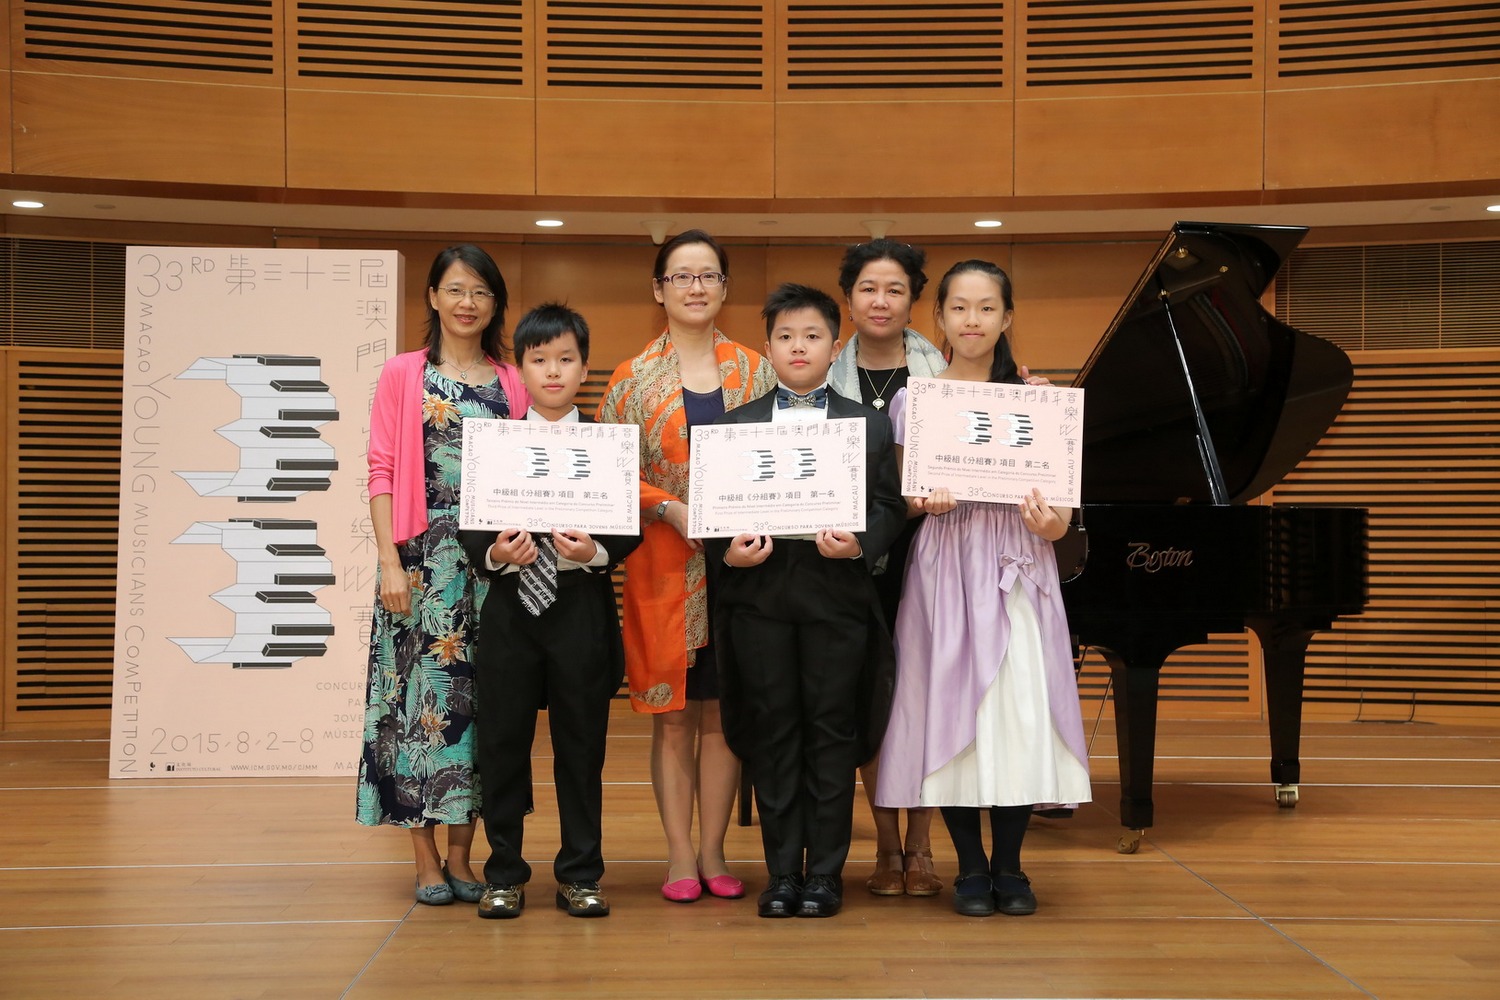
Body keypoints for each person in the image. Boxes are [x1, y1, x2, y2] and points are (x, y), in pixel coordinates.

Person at [874, 259, 1092, 918]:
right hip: (945, 566)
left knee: (1016, 713)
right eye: (960, 308)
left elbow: (1060, 519)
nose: (973, 320)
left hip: (1018, 564)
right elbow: (904, 499)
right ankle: (970, 867)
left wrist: (1049, 523)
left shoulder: (1039, 401)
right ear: (939, 318)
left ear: (1007, 317)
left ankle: (1011, 866)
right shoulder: (915, 402)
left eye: (987, 307)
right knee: (953, 710)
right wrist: (922, 503)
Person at [708, 284, 906, 918]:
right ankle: (780, 875)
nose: (799, 347)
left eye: (813, 336)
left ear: (834, 345)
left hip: (835, 597)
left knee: (831, 732)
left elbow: (889, 505)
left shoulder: (866, 422)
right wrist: (729, 555)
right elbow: (714, 517)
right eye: (786, 336)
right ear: (767, 348)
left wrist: (860, 543)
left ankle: (823, 874)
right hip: (761, 599)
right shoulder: (735, 426)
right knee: (775, 732)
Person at [597, 230, 777, 903]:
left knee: (723, 715)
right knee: (673, 716)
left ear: (725, 288)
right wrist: (671, 507)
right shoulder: (630, 378)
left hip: (745, 569)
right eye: (681, 276)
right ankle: (678, 853)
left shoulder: (758, 371)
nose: (696, 287)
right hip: (664, 567)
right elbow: (610, 469)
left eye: (708, 276)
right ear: (659, 289)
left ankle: (714, 851)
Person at [357, 244, 530, 905]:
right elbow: (380, 470)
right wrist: (389, 562)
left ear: (495, 303)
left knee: (484, 709)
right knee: (416, 709)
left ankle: (463, 854)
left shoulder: (512, 380)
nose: (467, 303)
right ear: (432, 296)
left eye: (481, 292)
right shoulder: (404, 373)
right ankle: (425, 856)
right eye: (455, 289)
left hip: (494, 568)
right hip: (422, 567)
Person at [459, 303, 642, 919]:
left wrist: (596, 552)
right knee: (503, 746)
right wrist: (496, 553)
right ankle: (504, 874)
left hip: (579, 607)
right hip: (512, 610)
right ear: (522, 371)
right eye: (540, 360)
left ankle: (581, 874)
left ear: (585, 368)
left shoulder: (607, 445)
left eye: (567, 359)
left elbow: (629, 528)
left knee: (582, 750)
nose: (554, 371)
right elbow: (472, 530)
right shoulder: (496, 443)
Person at [827, 239, 945, 897]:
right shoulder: (820, 380)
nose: (881, 301)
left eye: (895, 289)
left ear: (912, 302)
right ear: (848, 301)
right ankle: (885, 847)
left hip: (928, 555)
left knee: (922, 697)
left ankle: (922, 846)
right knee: (868, 695)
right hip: (848, 560)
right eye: (868, 288)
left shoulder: (947, 379)